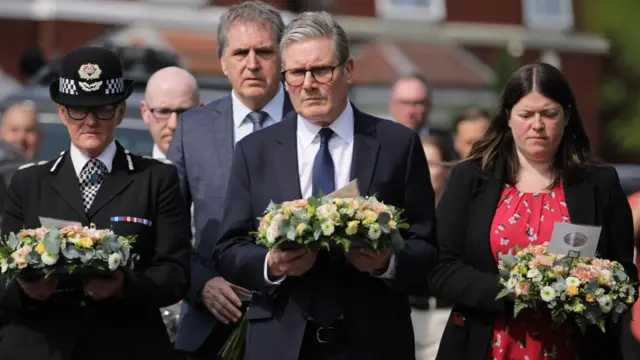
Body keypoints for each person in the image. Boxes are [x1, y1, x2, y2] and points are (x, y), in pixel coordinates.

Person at [213, 11, 438, 360]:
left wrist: (386, 263)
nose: (308, 83)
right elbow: (229, 248)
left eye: (321, 70)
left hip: (373, 341)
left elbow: (426, 246)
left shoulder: (397, 144)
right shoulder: (255, 151)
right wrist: (272, 264)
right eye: (297, 73)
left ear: (347, 70)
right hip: (282, 340)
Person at [429, 62, 638, 360]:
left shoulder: (598, 182)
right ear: (507, 117)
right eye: (526, 115)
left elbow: (624, 273)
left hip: (574, 348)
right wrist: (514, 291)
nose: (537, 125)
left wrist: (589, 288)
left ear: (566, 116)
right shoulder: (472, 177)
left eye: (549, 114)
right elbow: (442, 267)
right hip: (488, 344)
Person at [0, 46, 191, 360]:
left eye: (102, 108)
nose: (90, 121)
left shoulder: (156, 178)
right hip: (42, 345)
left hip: (125, 344)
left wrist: (124, 286)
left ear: (119, 111)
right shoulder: (28, 182)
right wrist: (26, 288)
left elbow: (175, 273)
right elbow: (2, 274)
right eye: (78, 109)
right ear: (62, 112)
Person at [168, 2, 293, 359]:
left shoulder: (310, 124)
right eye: (240, 52)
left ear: (282, 59)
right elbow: (169, 228)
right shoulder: (192, 129)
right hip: (209, 321)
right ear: (223, 62)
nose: (252, 63)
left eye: (264, 52)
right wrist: (200, 283)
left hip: (293, 319)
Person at [411, 135, 454, 360]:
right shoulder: (400, 213)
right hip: (408, 312)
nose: (425, 171)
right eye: (419, 163)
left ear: (446, 169)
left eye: (432, 164)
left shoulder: (460, 213)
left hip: (445, 314)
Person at [389, 73, 455, 158]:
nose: (410, 112)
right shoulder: (375, 142)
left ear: (429, 106)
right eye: (404, 103)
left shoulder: (448, 143)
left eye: (418, 103)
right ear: (391, 106)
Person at [141, 66, 201, 159]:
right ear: (145, 112)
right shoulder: (127, 172)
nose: (173, 125)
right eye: (163, 112)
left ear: (201, 113)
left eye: (183, 112)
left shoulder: (222, 172)